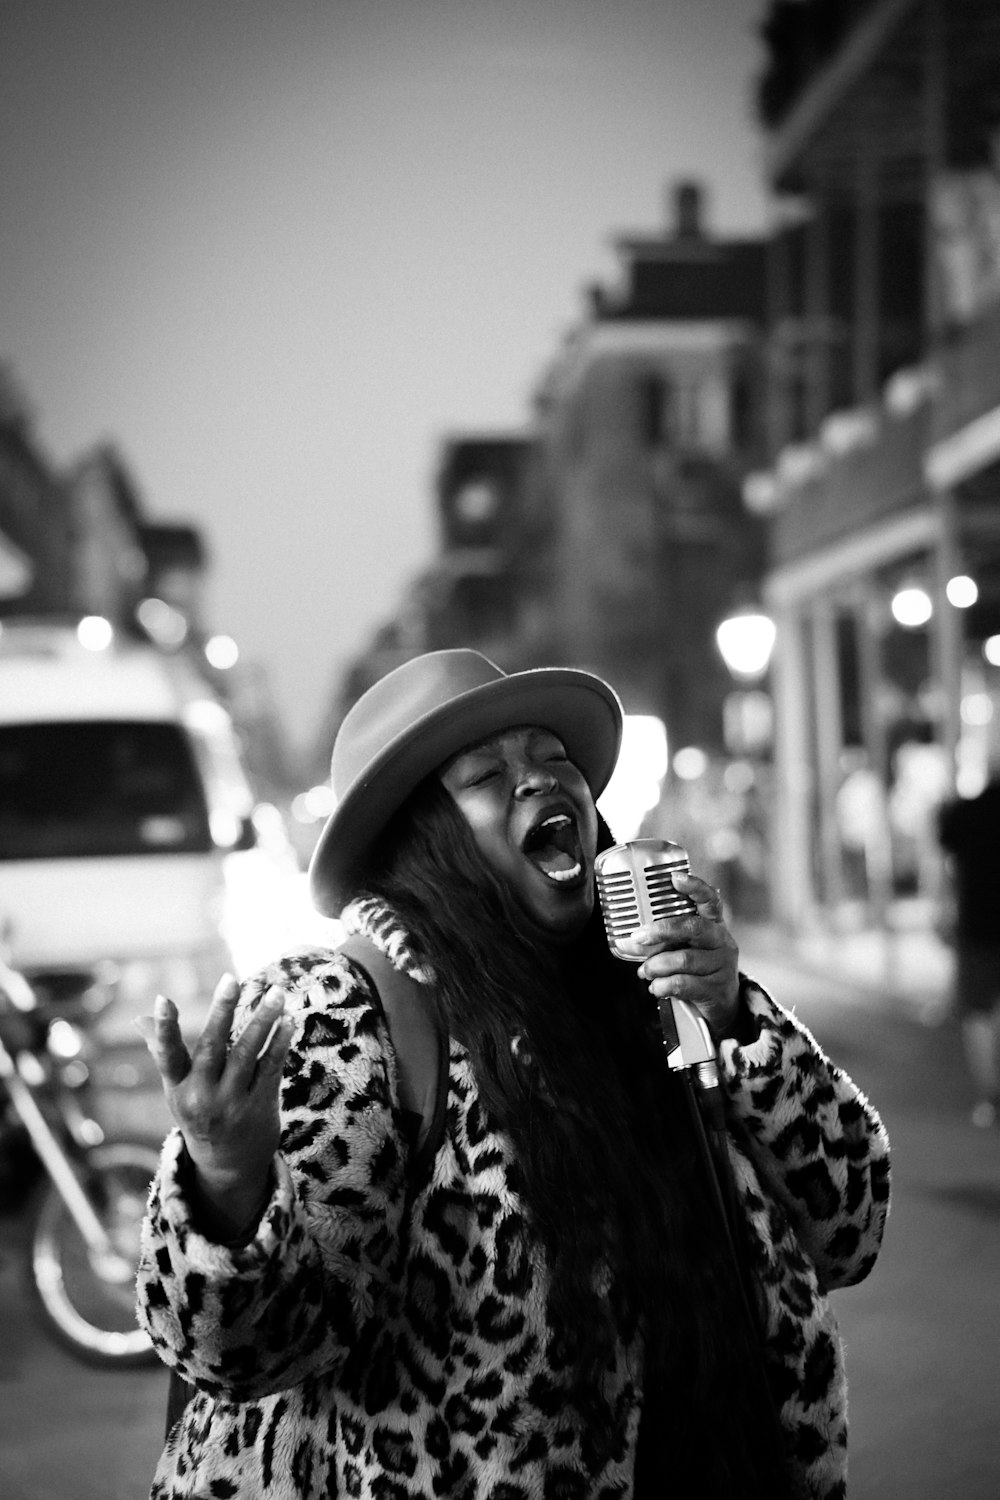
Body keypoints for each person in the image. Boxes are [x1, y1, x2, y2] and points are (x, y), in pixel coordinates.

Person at [136, 648, 890, 1500]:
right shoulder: (340, 1012)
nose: (539, 781)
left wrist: (730, 1017)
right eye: (487, 775)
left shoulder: (656, 986)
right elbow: (243, 1353)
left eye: (553, 758)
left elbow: (850, 1228)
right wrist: (228, 1177)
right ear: (424, 837)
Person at [938, 775, 1000, 1127]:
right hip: (978, 926)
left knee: (978, 1013)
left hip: (977, 925)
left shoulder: (966, 813)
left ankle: (990, 1096)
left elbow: (948, 865)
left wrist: (945, 908)